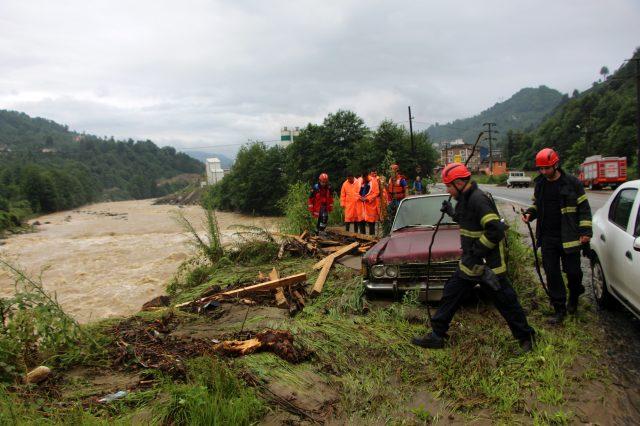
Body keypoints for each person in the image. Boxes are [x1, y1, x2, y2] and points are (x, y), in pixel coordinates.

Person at [412, 163, 535, 352]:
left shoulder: (479, 200)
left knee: (506, 302)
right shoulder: (465, 200)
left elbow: (496, 231)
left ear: (460, 183)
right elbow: (469, 221)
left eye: (449, 186)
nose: (447, 190)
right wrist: (452, 212)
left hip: (490, 266)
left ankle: (526, 338)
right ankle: (437, 335)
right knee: (451, 293)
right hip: (471, 263)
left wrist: (476, 252)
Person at [522, 148, 592, 324]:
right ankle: (559, 309)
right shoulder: (540, 185)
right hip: (547, 238)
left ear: (556, 164)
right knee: (552, 274)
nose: (544, 172)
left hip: (569, 237)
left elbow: (584, 209)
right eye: (541, 169)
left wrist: (585, 232)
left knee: (574, 273)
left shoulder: (572, 183)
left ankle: (574, 298)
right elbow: (536, 205)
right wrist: (530, 214)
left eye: (547, 168)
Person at [357, 170, 379, 235]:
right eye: (363, 177)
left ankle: (372, 238)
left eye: (365, 177)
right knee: (361, 222)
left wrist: (368, 199)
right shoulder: (358, 181)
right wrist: (359, 197)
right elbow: (354, 192)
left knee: (371, 223)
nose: (364, 179)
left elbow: (376, 192)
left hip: (370, 206)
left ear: (367, 176)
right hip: (361, 206)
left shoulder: (373, 181)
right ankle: (363, 238)